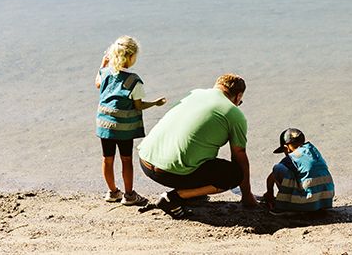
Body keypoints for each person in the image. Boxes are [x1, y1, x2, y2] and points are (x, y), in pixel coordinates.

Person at [137, 73, 258, 219]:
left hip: (145, 162)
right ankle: (174, 197)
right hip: (170, 173)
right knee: (234, 174)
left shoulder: (194, 94)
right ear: (238, 97)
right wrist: (247, 195)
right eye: (240, 102)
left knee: (198, 153)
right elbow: (239, 156)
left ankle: (191, 192)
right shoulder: (234, 113)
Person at [95, 35, 167, 206]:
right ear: (131, 57)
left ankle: (112, 192)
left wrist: (102, 64)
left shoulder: (105, 73)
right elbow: (139, 105)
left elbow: (97, 83)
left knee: (107, 158)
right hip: (123, 128)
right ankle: (129, 195)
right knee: (126, 159)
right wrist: (155, 103)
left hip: (104, 124)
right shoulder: (134, 80)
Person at [263, 127, 334, 213]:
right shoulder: (313, 152)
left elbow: (270, 178)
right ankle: (317, 204)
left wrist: (269, 193)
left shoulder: (292, 158)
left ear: (286, 147)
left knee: (277, 168)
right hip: (325, 201)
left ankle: (287, 204)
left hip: (306, 203)